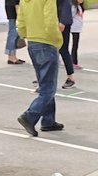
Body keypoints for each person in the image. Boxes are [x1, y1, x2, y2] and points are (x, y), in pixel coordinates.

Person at [16, 0, 65, 134]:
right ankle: (30, 115)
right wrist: (57, 40)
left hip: (32, 42)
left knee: (45, 84)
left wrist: (25, 34)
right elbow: (50, 22)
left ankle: (48, 121)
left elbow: (20, 21)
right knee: (48, 88)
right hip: (46, 42)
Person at [57, 0, 76, 88]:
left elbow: (66, 3)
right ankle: (44, 78)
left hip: (61, 22)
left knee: (63, 49)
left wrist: (63, 21)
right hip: (52, 20)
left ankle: (70, 77)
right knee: (49, 50)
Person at [70, 0, 83, 68]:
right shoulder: (73, 7)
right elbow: (70, 16)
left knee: (75, 46)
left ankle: (74, 61)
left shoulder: (79, 6)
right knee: (74, 46)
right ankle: (74, 62)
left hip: (77, 29)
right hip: (73, 28)